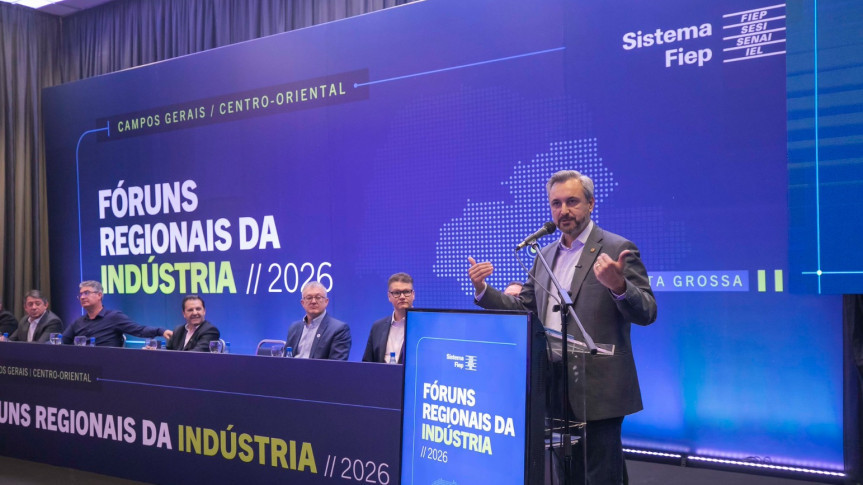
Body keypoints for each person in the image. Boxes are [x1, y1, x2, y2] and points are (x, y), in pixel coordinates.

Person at [467, 169, 657, 484]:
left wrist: (619, 286)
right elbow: (524, 308)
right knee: (565, 475)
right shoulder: (544, 255)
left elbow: (647, 311)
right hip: (555, 386)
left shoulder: (616, 247)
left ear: (591, 203)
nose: (563, 210)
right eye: (556, 203)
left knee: (601, 475)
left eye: (572, 201)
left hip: (599, 388)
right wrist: (484, 292)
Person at [62, 280, 173, 347]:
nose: (82, 297)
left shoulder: (113, 317)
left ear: (99, 295)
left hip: (108, 366)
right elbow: (62, 341)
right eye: (80, 294)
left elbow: (139, 330)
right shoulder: (78, 322)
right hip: (83, 367)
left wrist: (161, 331)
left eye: (86, 293)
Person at [285, 281, 351, 360]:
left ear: (326, 302)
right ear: (302, 303)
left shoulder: (339, 329)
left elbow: (336, 366)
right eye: (309, 298)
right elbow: (286, 359)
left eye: (318, 297)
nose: (313, 301)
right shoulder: (294, 328)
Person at [363, 272, 414, 364]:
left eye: (406, 292)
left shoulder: (424, 327)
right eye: (397, 293)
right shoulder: (377, 327)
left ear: (413, 295)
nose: (402, 297)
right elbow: (367, 363)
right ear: (389, 296)